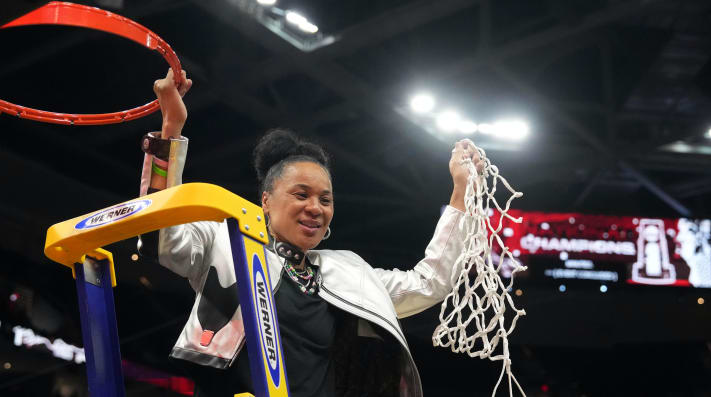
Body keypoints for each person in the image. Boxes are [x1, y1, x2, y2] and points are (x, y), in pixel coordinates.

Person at [138, 69, 484, 397]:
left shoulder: (349, 273)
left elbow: (430, 282)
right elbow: (161, 236)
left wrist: (461, 191)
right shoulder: (227, 243)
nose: (315, 207)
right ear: (266, 201)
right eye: (301, 195)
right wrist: (171, 130)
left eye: (325, 199)